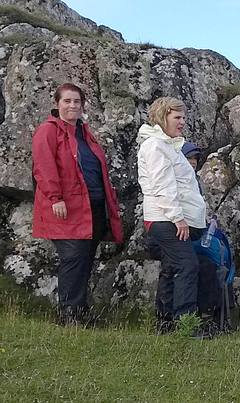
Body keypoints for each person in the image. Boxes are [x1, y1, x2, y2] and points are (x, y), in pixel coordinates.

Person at [31, 83, 123, 325]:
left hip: (91, 207)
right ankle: (69, 316)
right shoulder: (48, 131)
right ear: (57, 104)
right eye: (67, 101)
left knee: (84, 259)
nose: (72, 105)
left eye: (76, 101)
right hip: (66, 207)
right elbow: (43, 166)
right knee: (73, 259)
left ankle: (80, 313)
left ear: (82, 105)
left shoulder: (84, 133)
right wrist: (55, 197)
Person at [137, 97, 210, 337]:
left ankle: (164, 322)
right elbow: (163, 185)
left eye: (184, 118)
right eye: (177, 117)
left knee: (171, 268)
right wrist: (178, 218)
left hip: (167, 217)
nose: (182, 122)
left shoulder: (168, 146)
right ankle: (185, 325)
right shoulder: (156, 146)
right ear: (163, 116)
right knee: (187, 266)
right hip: (166, 218)